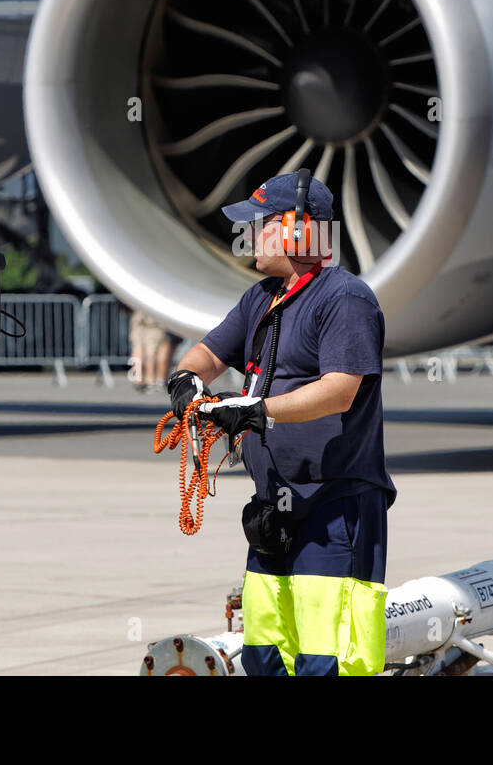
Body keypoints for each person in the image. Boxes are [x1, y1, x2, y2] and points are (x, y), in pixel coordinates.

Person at [166, 170, 394, 676]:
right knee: (264, 657)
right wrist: (186, 380)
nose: (247, 236)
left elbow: (341, 389)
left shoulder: (345, 299)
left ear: (298, 230)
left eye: (258, 224)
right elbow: (205, 353)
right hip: (275, 509)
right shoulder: (260, 298)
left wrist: (255, 410)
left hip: (334, 507)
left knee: (328, 660)